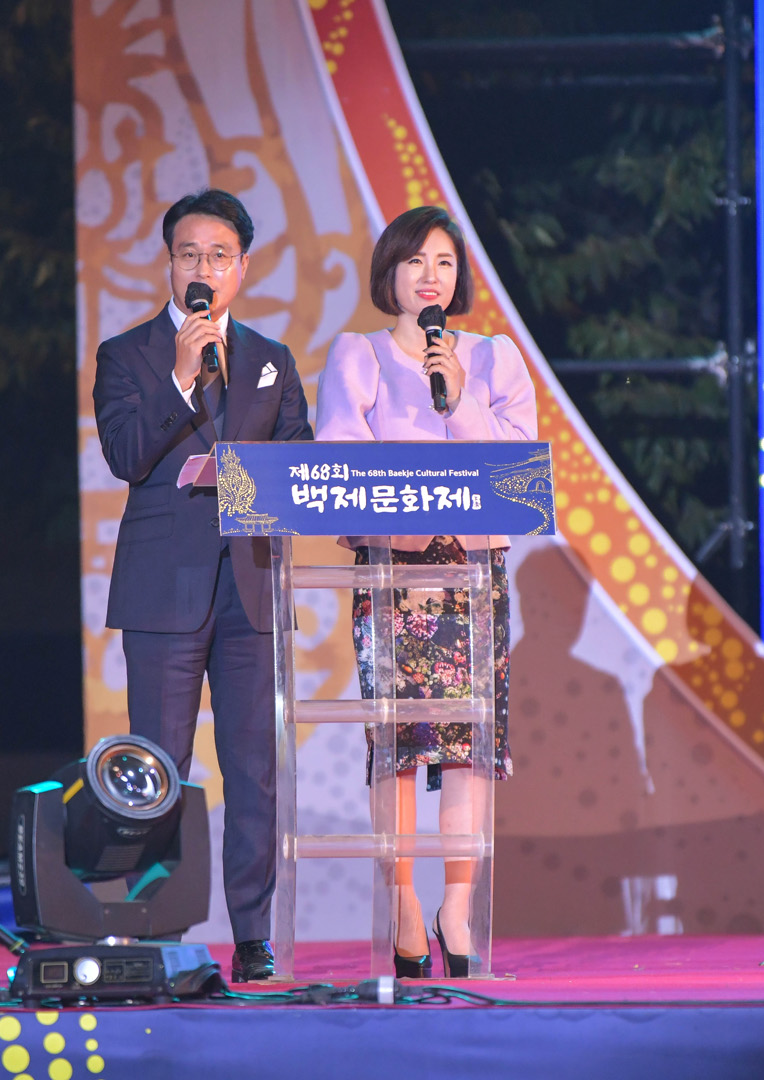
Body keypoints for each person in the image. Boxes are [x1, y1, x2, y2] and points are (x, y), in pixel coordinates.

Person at [93, 189, 312, 981]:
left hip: (252, 588)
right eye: (190, 254)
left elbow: (299, 466)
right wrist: (182, 382)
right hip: (164, 589)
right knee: (160, 765)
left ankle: (252, 937)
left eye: (219, 255)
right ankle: (158, 929)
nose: (203, 268)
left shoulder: (271, 359)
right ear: (169, 264)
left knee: (254, 770)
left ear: (242, 268)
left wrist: (260, 479)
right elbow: (125, 454)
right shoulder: (128, 354)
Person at [314, 205, 537, 977]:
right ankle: (406, 904)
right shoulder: (359, 355)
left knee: (471, 747)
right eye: (415, 261)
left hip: (472, 569)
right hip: (396, 572)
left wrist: (460, 396)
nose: (430, 275)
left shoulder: (495, 358)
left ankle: (458, 910)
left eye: (443, 262)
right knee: (399, 748)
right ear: (391, 273)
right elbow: (340, 462)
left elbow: (516, 467)